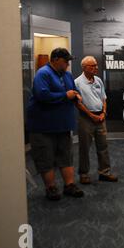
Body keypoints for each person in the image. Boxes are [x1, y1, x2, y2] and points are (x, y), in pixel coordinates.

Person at [26, 48, 84, 200]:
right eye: (66, 61)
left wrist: (77, 96)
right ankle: (51, 188)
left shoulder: (67, 75)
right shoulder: (43, 73)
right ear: (56, 59)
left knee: (66, 156)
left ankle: (69, 185)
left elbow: (74, 90)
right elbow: (42, 95)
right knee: (46, 158)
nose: (68, 65)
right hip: (43, 127)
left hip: (63, 125)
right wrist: (65, 95)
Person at [74, 56, 118, 184]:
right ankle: (84, 174)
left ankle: (104, 172)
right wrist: (91, 115)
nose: (96, 68)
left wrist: (103, 112)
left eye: (96, 65)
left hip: (100, 118)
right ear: (84, 68)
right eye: (92, 66)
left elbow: (103, 98)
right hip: (86, 119)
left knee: (103, 146)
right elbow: (78, 104)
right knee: (84, 148)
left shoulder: (98, 80)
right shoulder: (77, 83)